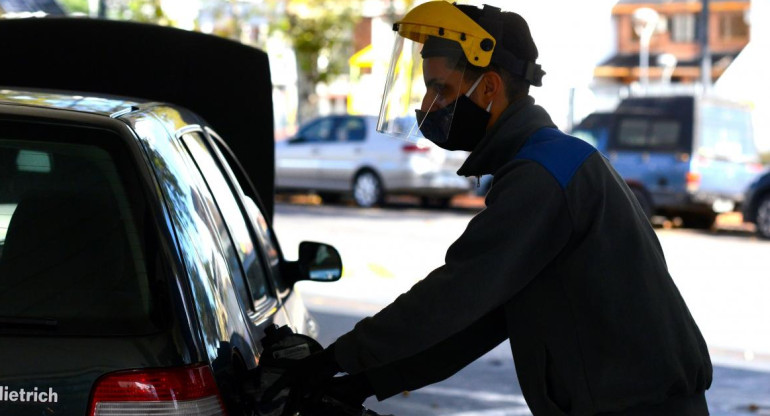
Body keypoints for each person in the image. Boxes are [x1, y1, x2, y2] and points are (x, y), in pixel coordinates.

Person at [265, 2, 712, 414]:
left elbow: (457, 291)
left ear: (489, 88)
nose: (426, 107)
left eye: (440, 89)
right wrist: (365, 380)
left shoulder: (542, 176)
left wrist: (334, 360)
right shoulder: (549, 161)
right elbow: (480, 317)